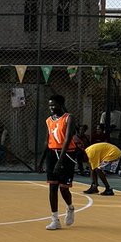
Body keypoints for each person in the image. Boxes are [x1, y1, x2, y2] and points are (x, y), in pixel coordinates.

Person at [37, 94, 76, 230]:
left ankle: (70, 208)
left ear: (61, 104)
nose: (51, 108)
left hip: (66, 154)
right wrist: (41, 161)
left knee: (63, 188)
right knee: (52, 186)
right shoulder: (49, 120)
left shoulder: (68, 118)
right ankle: (55, 219)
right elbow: (47, 141)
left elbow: (67, 139)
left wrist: (60, 160)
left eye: (53, 105)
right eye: (49, 105)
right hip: (51, 153)